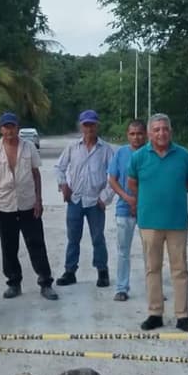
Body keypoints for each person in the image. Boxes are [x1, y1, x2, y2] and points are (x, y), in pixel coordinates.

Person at [127, 113, 188, 332]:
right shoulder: (139, 157)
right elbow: (132, 183)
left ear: (171, 131)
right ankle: (155, 313)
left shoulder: (183, 155)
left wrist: (171, 196)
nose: (161, 133)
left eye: (165, 129)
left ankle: (182, 315)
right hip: (149, 222)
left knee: (180, 269)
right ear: (149, 133)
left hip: (177, 222)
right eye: (156, 129)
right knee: (152, 268)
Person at [0, 112, 58, 301]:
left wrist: (39, 201)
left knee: (36, 244)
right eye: (6, 127)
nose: (9, 130)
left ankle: (45, 282)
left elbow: (36, 174)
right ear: (0, 129)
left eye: (12, 126)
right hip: (5, 204)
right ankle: (14, 282)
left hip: (28, 203)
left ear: (18, 128)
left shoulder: (29, 148)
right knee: (9, 246)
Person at [54, 109, 115, 289]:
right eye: (86, 124)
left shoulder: (106, 150)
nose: (89, 128)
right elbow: (59, 167)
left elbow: (114, 176)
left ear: (97, 126)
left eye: (92, 124)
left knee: (98, 237)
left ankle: (102, 271)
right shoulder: (73, 148)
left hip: (96, 201)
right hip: (75, 200)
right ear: (81, 126)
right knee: (73, 237)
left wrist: (104, 198)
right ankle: (70, 271)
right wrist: (63, 184)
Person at [107, 119, 147, 302]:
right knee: (123, 250)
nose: (136, 137)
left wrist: (141, 201)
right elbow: (112, 179)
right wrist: (127, 197)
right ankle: (122, 287)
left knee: (151, 251)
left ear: (145, 134)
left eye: (139, 133)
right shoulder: (121, 153)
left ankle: (154, 289)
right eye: (132, 133)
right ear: (127, 135)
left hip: (148, 208)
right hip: (124, 208)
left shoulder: (152, 152)